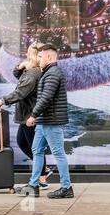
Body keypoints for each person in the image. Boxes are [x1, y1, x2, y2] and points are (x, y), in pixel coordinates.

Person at [0, 42, 52, 189]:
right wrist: (20, 67)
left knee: (33, 148)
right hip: (27, 114)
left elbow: (21, 91)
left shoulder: (34, 73)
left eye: (29, 53)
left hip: (30, 116)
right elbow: (19, 79)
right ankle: (43, 172)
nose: (26, 55)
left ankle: (41, 180)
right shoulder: (33, 71)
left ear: (34, 55)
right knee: (23, 143)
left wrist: (2, 101)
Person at [16, 44, 73, 199]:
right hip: (44, 121)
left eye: (40, 56)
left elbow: (46, 98)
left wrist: (33, 115)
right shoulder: (47, 73)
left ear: (49, 57)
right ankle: (33, 185)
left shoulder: (53, 73)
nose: (38, 59)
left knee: (58, 154)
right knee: (36, 151)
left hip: (51, 121)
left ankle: (66, 188)